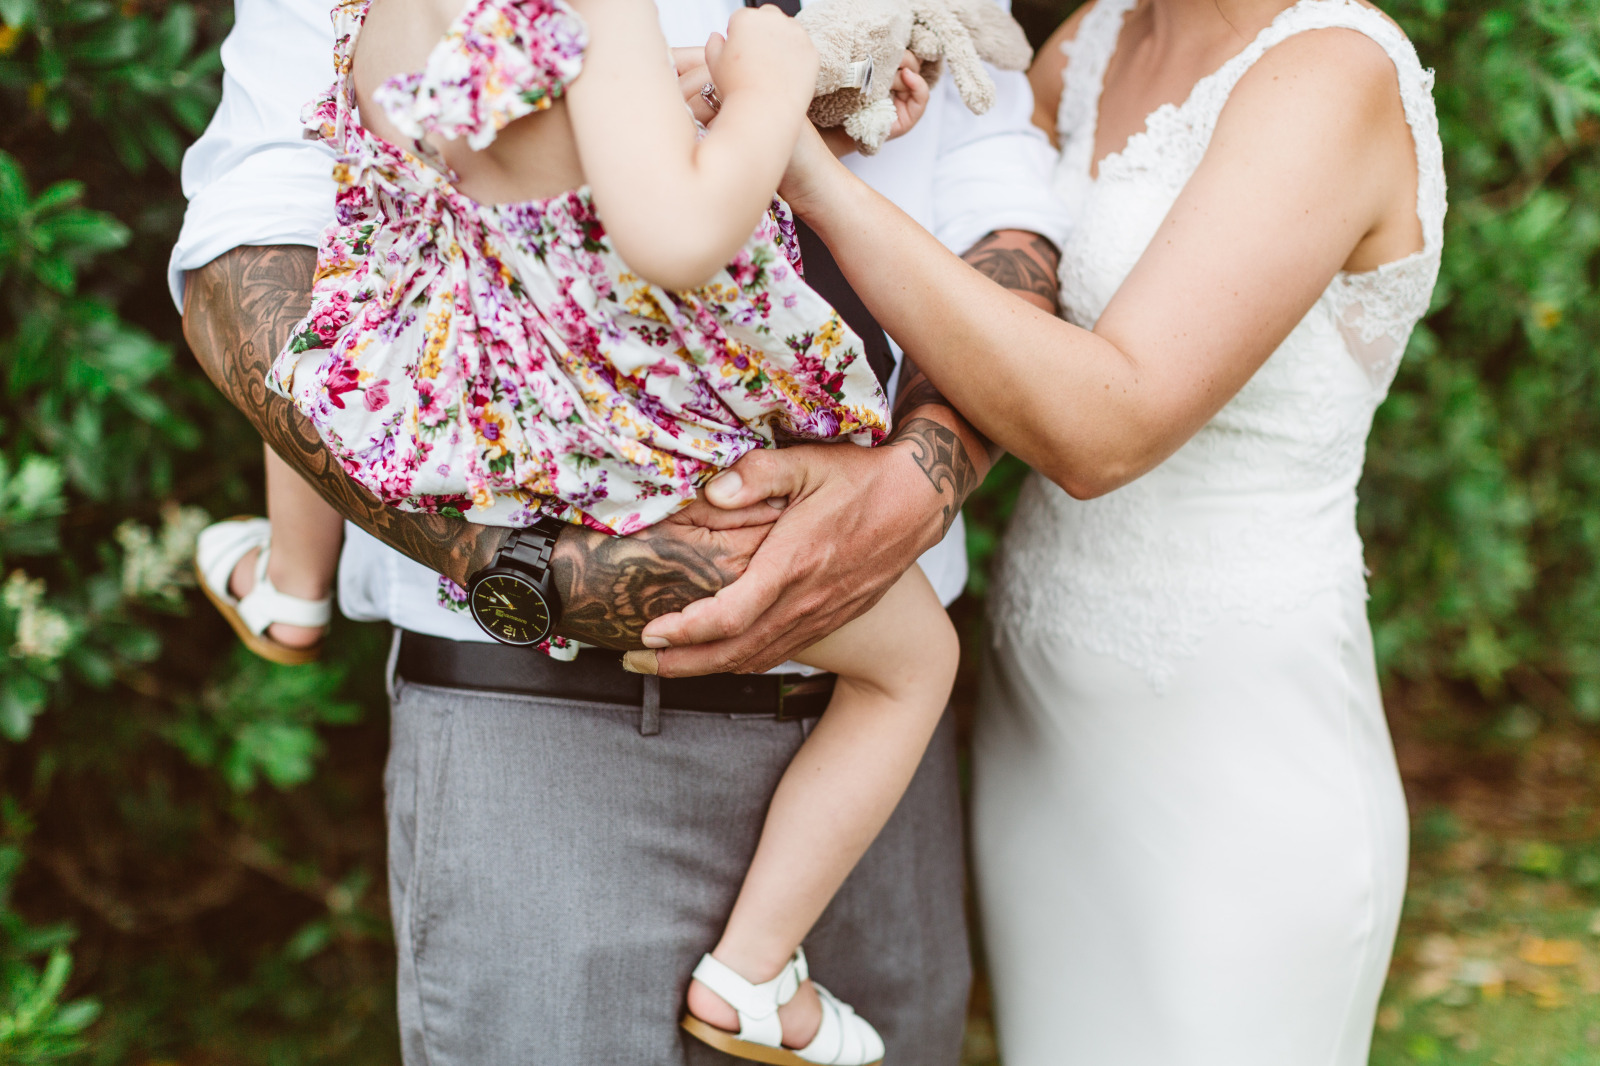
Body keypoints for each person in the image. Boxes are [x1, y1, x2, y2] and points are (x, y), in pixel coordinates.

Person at [172, 0, 1072, 1061]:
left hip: (460, 401)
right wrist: (771, 88)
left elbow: (424, 190)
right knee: (915, 664)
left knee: (345, 345)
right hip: (622, 485)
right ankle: (751, 973)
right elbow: (674, 234)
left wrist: (772, 114)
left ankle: (290, 580)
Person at [648, 0, 1443, 1062]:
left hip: (1231, 738)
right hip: (1048, 723)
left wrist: (804, 168)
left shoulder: (1332, 72)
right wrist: (840, 109)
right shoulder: (1097, 37)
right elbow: (987, 263)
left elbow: (1108, 427)